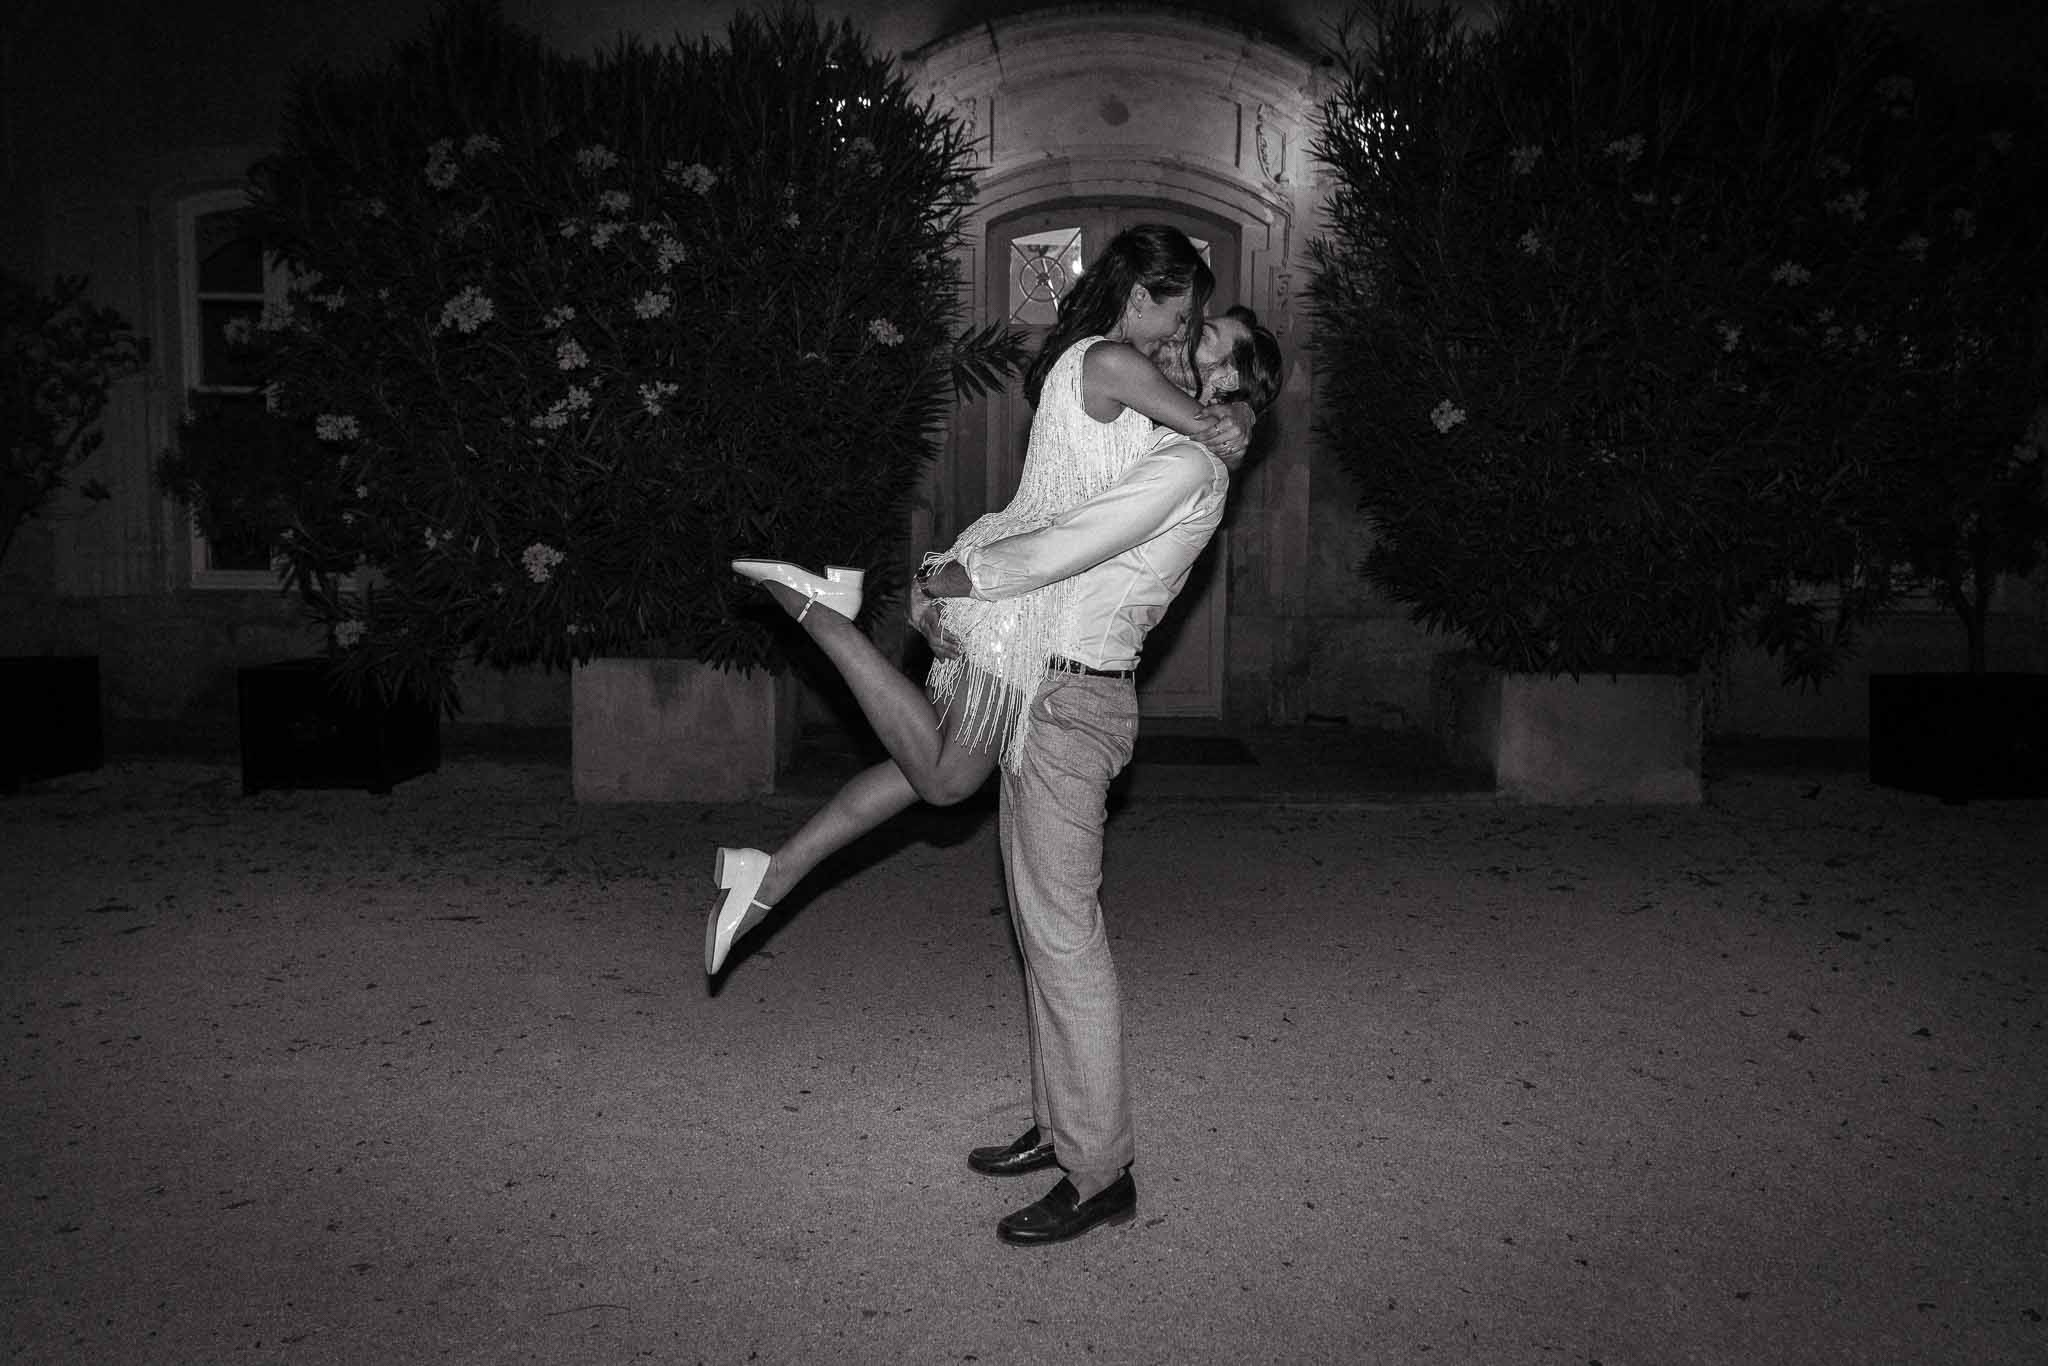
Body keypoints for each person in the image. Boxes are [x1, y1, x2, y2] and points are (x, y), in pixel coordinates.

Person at [708, 225, 1247, 973]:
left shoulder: (1085, 360)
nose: (1183, 332)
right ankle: (820, 615)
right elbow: (1208, 432)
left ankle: (770, 872)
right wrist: (1234, 409)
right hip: (1021, 600)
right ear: (1138, 298)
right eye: (1182, 314)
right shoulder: (1114, 359)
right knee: (945, 777)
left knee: (922, 772)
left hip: (1017, 581)